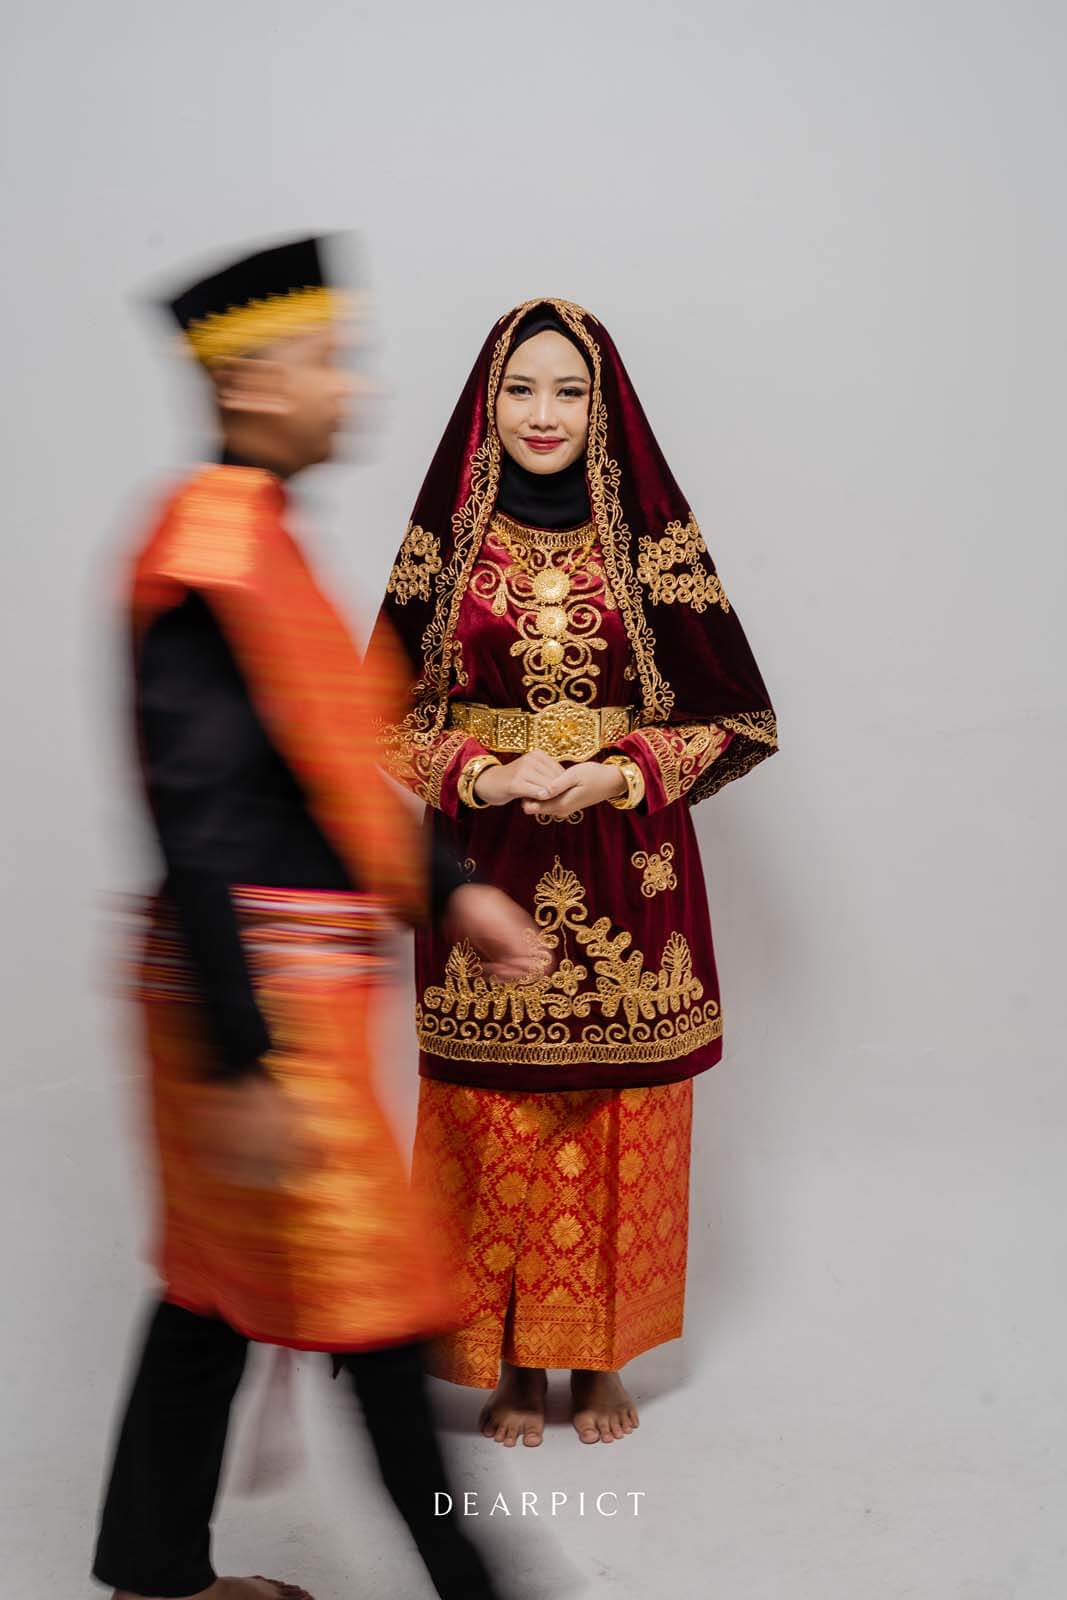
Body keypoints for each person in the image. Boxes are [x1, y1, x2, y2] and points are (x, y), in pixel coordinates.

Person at [92, 237, 540, 1600]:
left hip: (265, 989)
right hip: (252, 1002)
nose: (353, 387)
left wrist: (450, 885)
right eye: (326, 363)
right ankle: (473, 1582)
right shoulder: (208, 556)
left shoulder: (253, 544)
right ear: (248, 383)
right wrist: (242, 1059)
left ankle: (154, 1574)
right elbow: (200, 823)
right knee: (378, 1308)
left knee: (215, 1289)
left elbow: (320, 772)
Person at [373, 298, 777, 1450]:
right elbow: (376, 716)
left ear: (604, 409)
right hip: (487, 861)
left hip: (626, 865)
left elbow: (734, 718)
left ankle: (597, 1360)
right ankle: (511, 1357)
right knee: (493, 1116)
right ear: (484, 403)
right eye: (519, 389)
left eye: (568, 390)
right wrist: (482, 773)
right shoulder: (444, 545)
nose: (541, 413)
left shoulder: (650, 542)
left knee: (619, 1116)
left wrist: (617, 773)